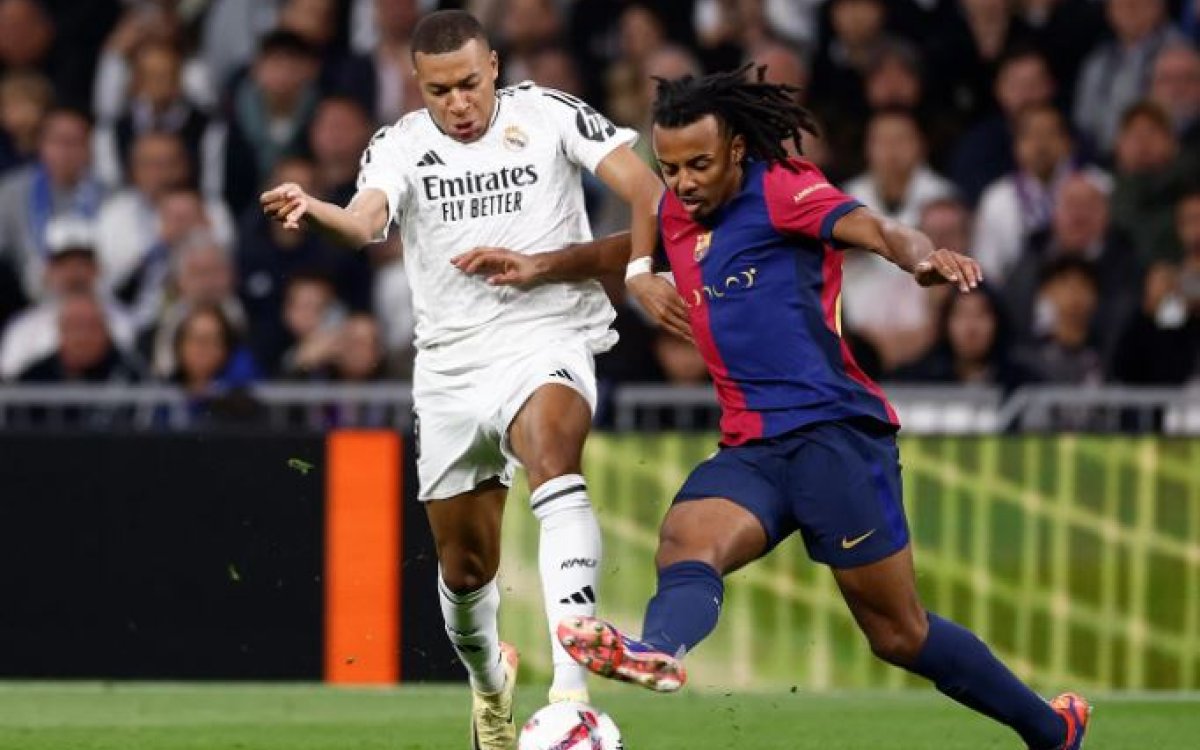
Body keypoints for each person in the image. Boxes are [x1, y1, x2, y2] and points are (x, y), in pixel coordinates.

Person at [456, 66, 1091, 750]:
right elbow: (624, 247)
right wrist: (540, 266)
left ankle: (1052, 729)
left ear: (736, 150)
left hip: (833, 437)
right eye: (670, 168)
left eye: (699, 165)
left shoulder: (783, 189)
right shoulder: (679, 211)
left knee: (899, 634)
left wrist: (922, 257)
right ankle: (658, 649)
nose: (683, 183)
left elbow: (877, 228)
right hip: (753, 449)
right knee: (685, 541)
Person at [258, 11, 663, 750]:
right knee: (466, 568)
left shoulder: (550, 113)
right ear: (418, 86)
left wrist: (637, 269)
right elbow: (363, 222)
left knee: (553, 455)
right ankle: (489, 684)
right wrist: (316, 212)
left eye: (470, 84)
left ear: (495, 66)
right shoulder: (400, 144)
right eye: (440, 90)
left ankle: (571, 695)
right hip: (450, 369)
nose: (459, 103)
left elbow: (646, 188)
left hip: (547, 334)